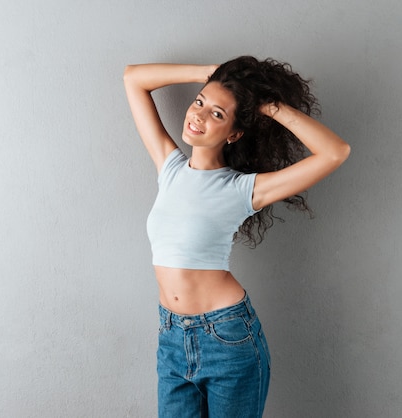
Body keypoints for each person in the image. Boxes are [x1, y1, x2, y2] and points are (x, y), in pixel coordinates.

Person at [123, 56, 350, 418]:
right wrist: (211, 75)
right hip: (171, 337)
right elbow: (134, 78)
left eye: (217, 114)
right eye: (199, 102)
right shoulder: (170, 167)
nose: (198, 115)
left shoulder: (244, 189)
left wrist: (267, 106)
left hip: (227, 337)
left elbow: (335, 152)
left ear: (234, 133)